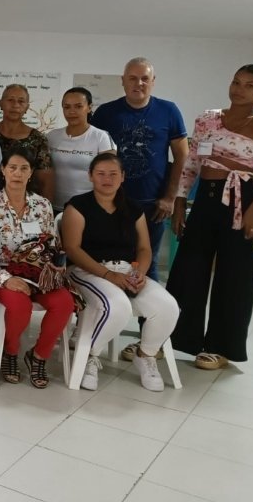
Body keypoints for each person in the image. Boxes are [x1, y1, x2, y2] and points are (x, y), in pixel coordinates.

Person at [167, 64, 253, 370]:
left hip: (243, 203)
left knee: (235, 279)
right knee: (187, 271)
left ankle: (220, 347)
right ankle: (175, 339)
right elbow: (191, 163)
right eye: (236, 82)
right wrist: (180, 202)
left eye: (249, 85)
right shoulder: (208, 118)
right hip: (205, 200)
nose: (239, 89)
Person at [62, 153, 180, 392]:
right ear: (90, 176)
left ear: (123, 177)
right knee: (118, 306)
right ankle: (90, 356)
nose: (107, 179)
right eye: (101, 174)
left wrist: (140, 273)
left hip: (127, 270)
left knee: (168, 307)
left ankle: (145, 354)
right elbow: (72, 250)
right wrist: (108, 275)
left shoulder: (133, 207)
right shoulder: (77, 205)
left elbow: (145, 248)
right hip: (87, 271)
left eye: (113, 174)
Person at [0, 148, 76, 388]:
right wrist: (5, 279)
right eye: (12, 168)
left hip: (36, 273)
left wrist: (51, 272)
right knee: (19, 304)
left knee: (65, 303)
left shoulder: (42, 205)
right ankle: (10, 351)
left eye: (24, 168)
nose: (18, 174)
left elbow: (52, 244)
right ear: (3, 170)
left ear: (31, 173)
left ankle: (38, 355)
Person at [91, 57, 188, 280]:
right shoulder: (106, 112)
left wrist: (170, 197)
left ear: (153, 81)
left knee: (147, 263)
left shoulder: (169, 110)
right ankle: (113, 312)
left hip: (153, 204)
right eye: (133, 78)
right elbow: (95, 156)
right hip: (112, 202)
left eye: (145, 78)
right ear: (123, 81)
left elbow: (183, 155)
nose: (139, 83)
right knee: (110, 261)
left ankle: (150, 315)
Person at [47, 87, 115, 212]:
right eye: (67, 107)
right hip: (54, 207)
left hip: (88, 209)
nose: (72, 111)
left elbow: (111, 175)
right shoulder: (51, 136)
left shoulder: (101, 137)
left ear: (89, 107)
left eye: (78, 106)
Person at [0, 84, 55, 201]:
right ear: (0, 103)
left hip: (27, 206)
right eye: (10, 100)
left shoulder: (38, 139)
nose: (15, 105)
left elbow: (45, 181)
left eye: (21, 101)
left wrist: (46, 212)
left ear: (27, 107)